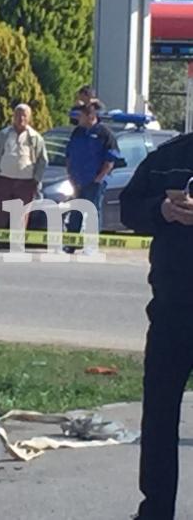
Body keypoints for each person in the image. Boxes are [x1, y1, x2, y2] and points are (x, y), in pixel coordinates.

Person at [120, 134, 193, 520]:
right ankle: (156, 509)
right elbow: (127, 208)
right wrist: (162, 210)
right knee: (160, 416)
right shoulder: (169, 157)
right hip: (171, 310)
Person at [64, 99, 120, 251]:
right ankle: (71, 243)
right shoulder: (77, 132)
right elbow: (69, 155)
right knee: (76, 211)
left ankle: (91, 245)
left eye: (80, 116)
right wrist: (70, 175)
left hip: (95, 182)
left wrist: (98, 178)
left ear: (90, 116)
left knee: (92, 213)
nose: (78, 119)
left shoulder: (104, 134)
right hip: (77, 180)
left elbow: (110, 160)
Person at [0, 103, 48, 230]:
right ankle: (0, 242)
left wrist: (36, 179)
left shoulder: (36, 138)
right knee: (0, 213)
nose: (21, 119)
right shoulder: (2, 135)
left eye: (24, 116)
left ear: (29, 118)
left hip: (26, 183)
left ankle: (17, 243)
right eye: (18, 115)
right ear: (13, 116)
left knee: (21, 214)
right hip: (3, 180)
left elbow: (42, 160)